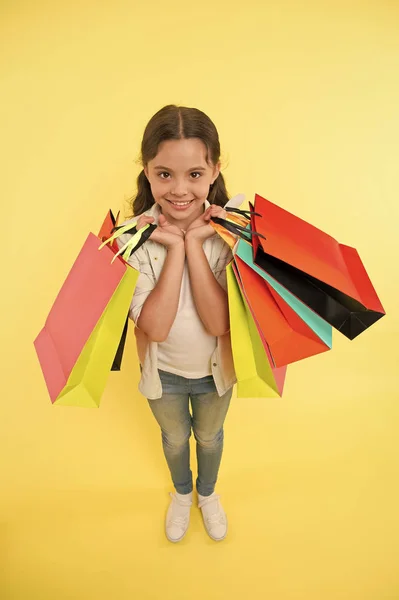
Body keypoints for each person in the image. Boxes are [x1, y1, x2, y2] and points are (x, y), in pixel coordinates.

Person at [117, 104, 241, 543]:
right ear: (147, 172)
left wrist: (194, 244)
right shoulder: (131, 239)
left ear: (214, 171)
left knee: (209, 438)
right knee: (174, 440)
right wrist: (171, 245)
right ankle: (183, 494)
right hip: (162, 374)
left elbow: (220, 322)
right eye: (164, 174)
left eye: (194, 174)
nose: (179, 189)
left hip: (214, 373)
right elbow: (156, 327)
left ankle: (208, 494)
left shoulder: (232, 234)